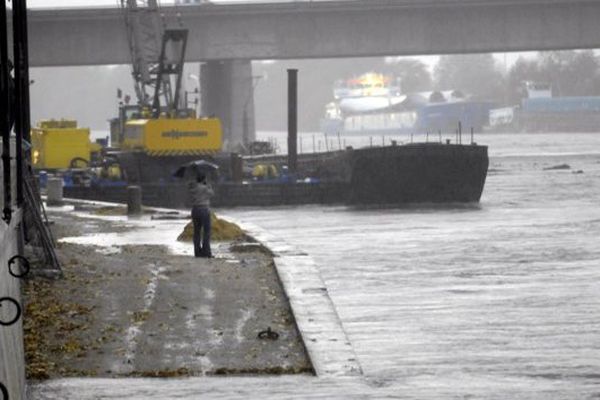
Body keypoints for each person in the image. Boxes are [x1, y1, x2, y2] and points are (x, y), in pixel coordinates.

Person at [188, 173, 214, 258]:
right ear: (203, 179)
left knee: (197, 232)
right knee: (206, 232)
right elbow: (212, 194)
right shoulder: (204, 188)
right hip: (204, 209)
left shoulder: (192, 188)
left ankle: (197, 252)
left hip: (195, 210)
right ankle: (206, 252)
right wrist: (208, 185)